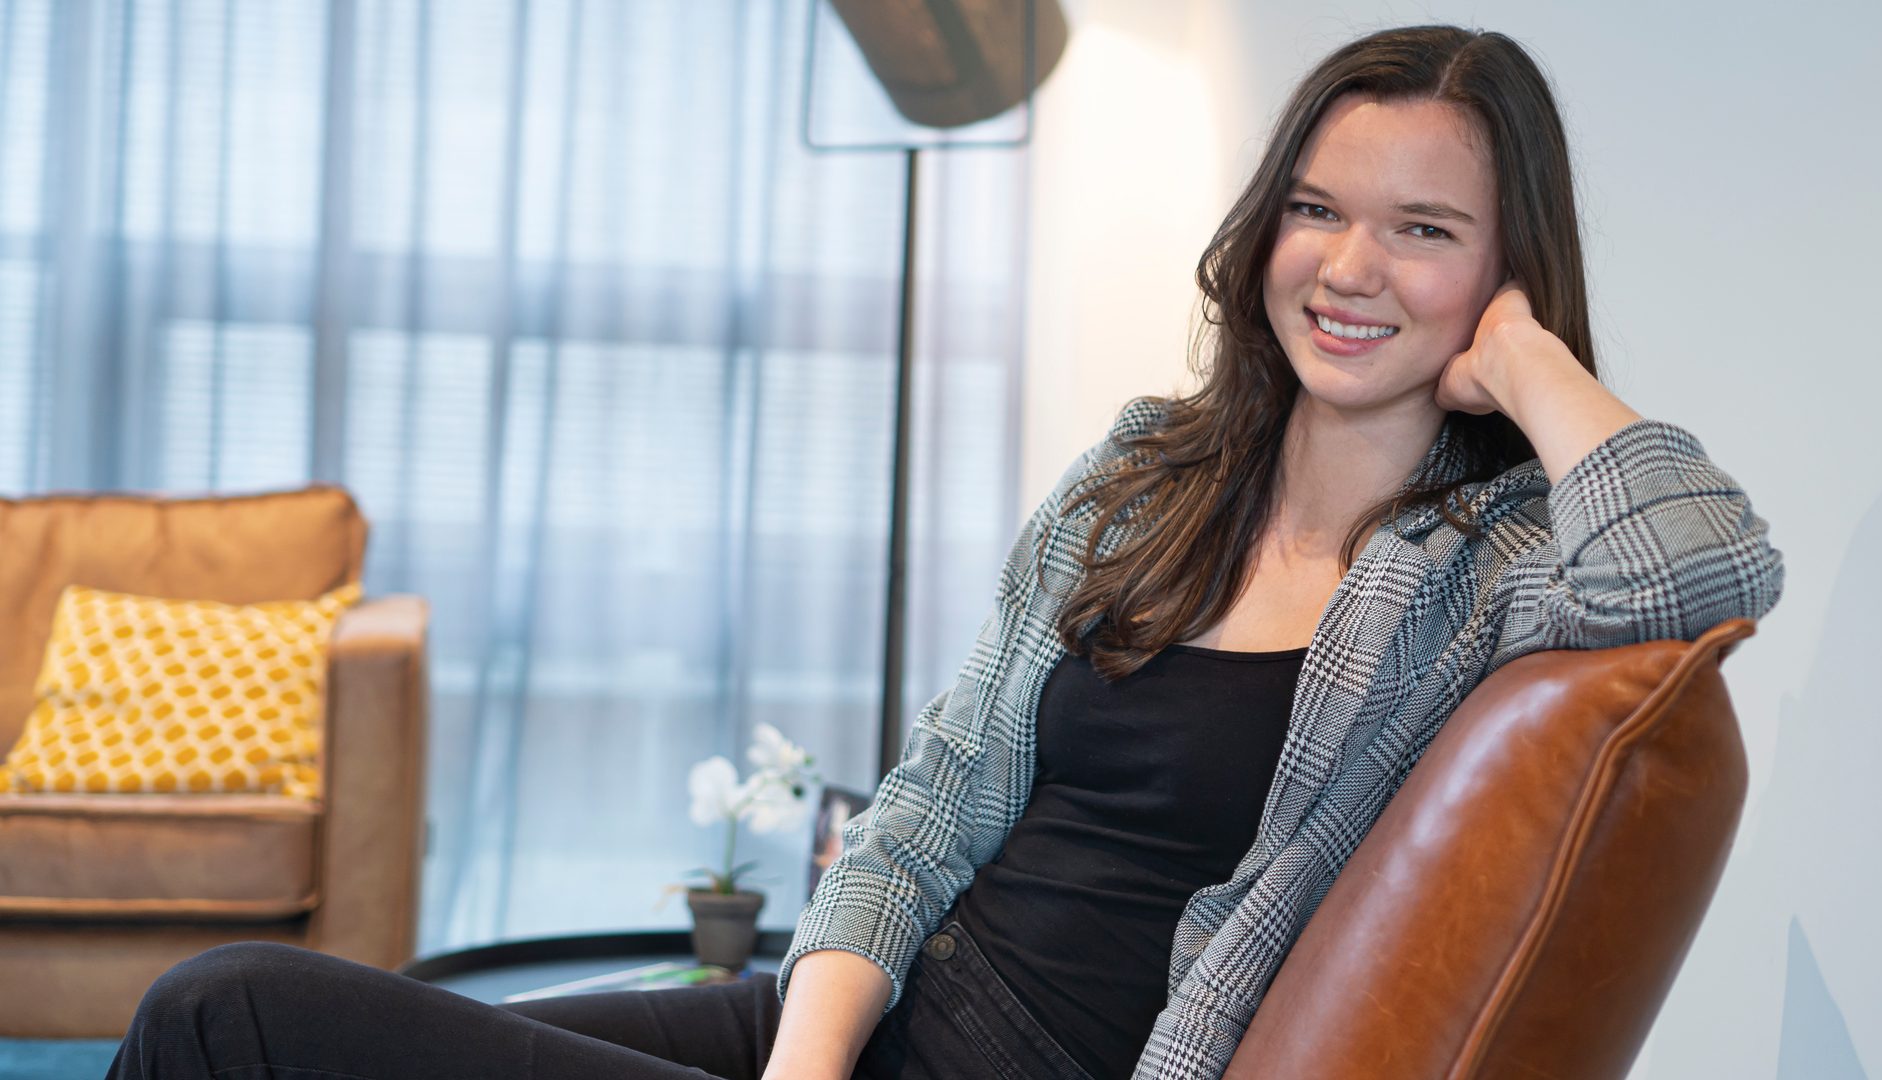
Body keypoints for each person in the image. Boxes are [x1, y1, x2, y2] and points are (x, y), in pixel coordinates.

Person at [104, 22, 1784, 1080]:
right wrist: (807, 1058)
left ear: (1502, 275)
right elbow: (928, 803)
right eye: (1320, 206)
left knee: (228, 1020)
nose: (1351, 266)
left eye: (1425, 233)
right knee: (260, 1028)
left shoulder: (1486, 571)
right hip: (860, 1013)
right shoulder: (1149, 469)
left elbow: (1709, 573)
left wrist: (1541, 369)